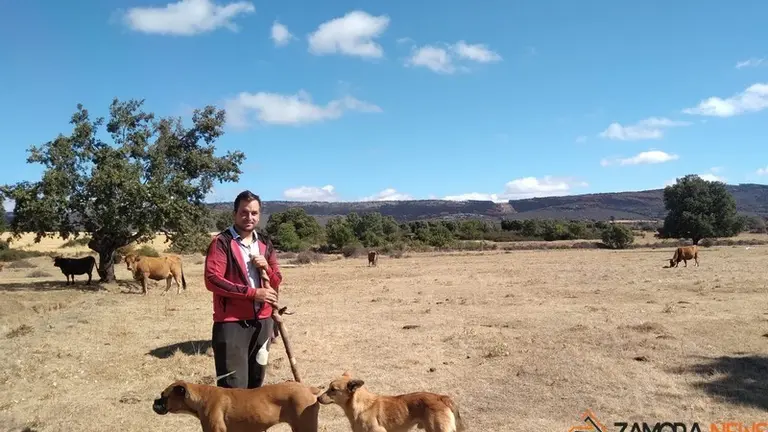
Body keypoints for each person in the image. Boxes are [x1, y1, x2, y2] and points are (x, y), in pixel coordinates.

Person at [204, 190, 282, 389]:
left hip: (262, 323)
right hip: (232, 324)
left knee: (256, 385)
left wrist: (267, 268)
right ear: (235, 214)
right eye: (244, 212)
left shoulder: (265, 243)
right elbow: (212, 280)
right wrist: (253, 293)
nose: (249, 217)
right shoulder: (221, 242)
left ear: (260, 214)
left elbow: (276, 280)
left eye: (254, 213)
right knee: (233, 388)